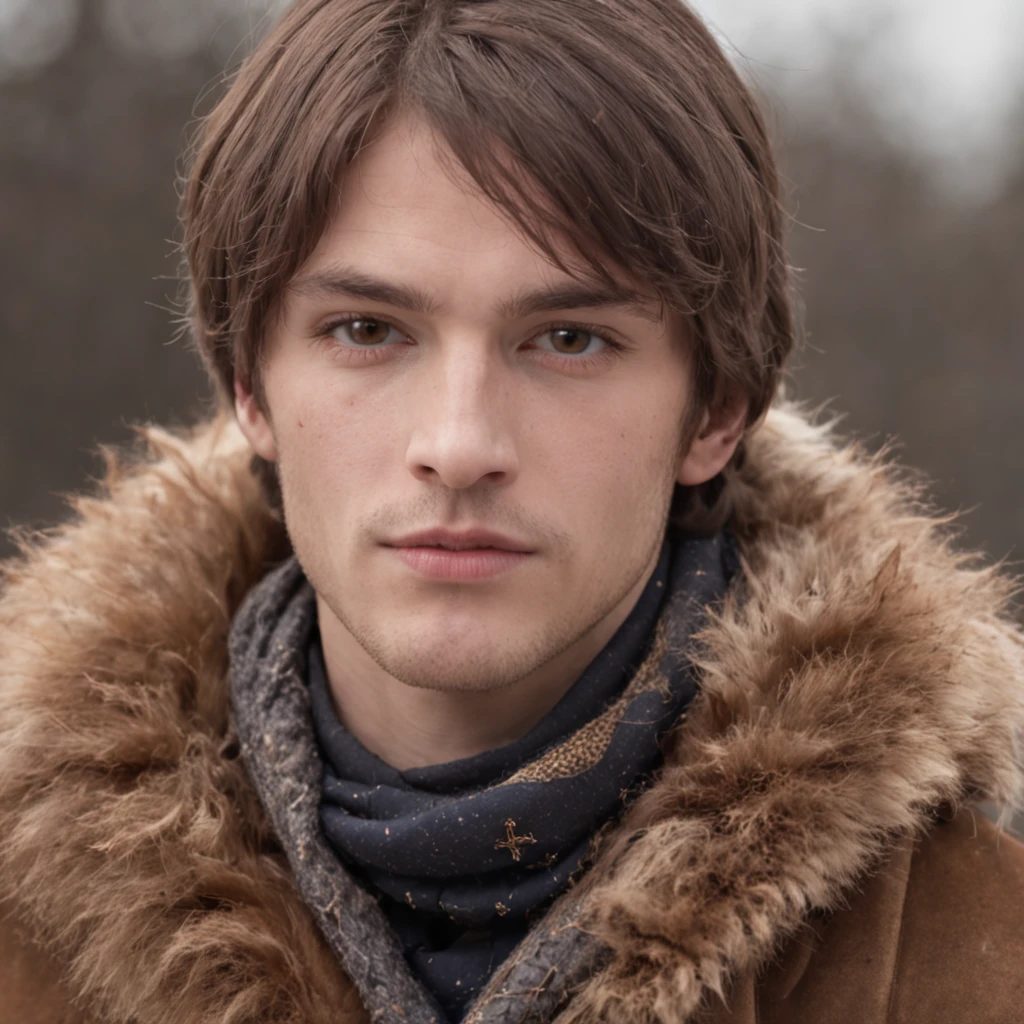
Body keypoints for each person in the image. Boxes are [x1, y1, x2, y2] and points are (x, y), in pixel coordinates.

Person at [1, 0, 1022, 1021]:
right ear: (249, 389)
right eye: (367, 328)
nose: (458, 444)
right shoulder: (24, 928)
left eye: (567, 338)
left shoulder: (969, 947)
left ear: (715, 408)